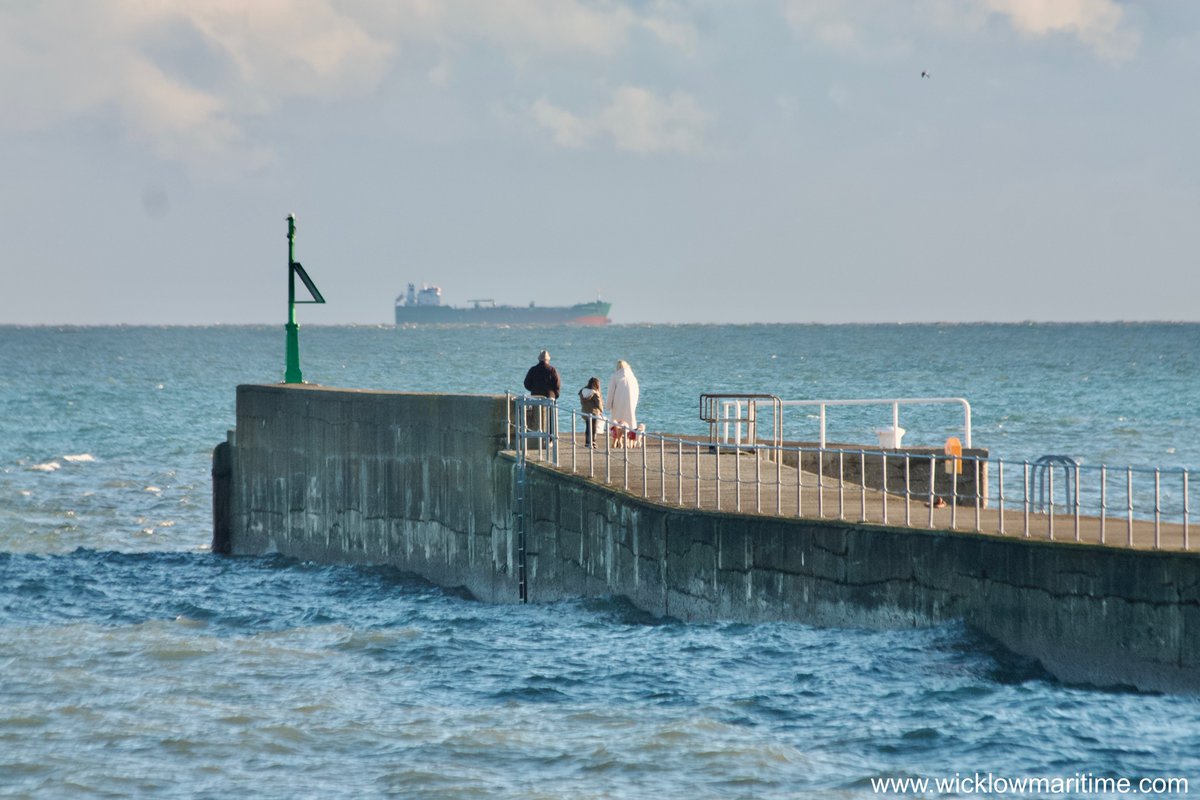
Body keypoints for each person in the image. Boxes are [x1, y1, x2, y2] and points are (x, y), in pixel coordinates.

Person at [523, 350, 561, 433]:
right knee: (550, 418)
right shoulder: (552, 370)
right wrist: (555, 395)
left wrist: (533, 390)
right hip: (549, 397)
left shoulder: (533, 370)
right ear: (548, 360)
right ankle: (550, 437)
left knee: (537, 417)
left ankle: (537, 436)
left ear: (539, 359)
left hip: (535, 396)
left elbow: (526, 383)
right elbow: (557, 384)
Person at [606, 359, 639, 445]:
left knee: (616, 422)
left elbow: (610, 392)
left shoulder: (615, 376)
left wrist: (608, 406)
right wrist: (634, 404)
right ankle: (630, 441)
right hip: (631, 404)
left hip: (618, 403)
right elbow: (637, 392)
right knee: (630, 421)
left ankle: (617, 440)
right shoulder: (633, 377)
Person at [578, 377, 604, 448]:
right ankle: (593, 442)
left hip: (585, 412)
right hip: (594, 413)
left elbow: (582, 402)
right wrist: (601, 410)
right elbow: (599, 403)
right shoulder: (594, 393)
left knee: (587, 427)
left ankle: (587, 442)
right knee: (594, 427)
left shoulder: (582, 391)